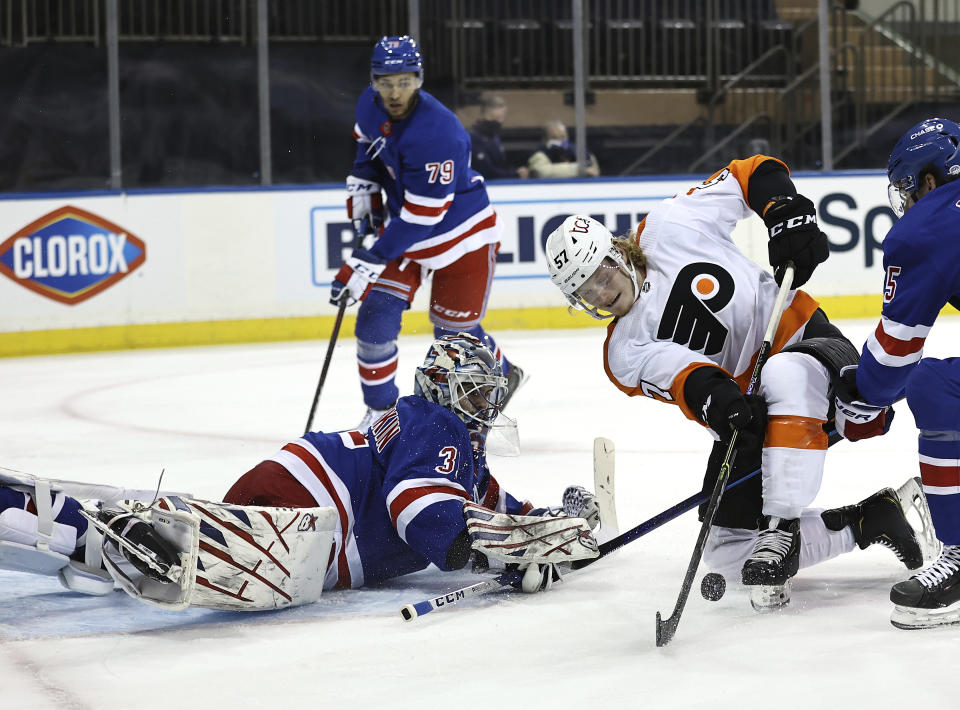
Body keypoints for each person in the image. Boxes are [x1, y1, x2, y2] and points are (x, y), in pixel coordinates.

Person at [543, 155, 933, 610]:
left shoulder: (670, 224)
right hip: (751, 415)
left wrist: (784, 209)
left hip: (812, 351)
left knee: (782, 371)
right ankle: (870, 521)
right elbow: (690, 379)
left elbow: (752, 172)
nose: (602, 296)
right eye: (586, 293)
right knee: (727, 552)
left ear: (617, 252)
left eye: (602, 277)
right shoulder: (622, 353)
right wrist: (718, 401)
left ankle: (780, 529)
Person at [0, 335, 599, 610]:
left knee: (180, 542)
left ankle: (71, 518)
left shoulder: (449, 443)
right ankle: (47, 521)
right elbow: (416, 505)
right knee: (171, 551)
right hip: (312, 509)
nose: (492, 408)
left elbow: (493, 505)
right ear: (455, 391)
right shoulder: (437, 424)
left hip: (302, 492)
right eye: (483, 393)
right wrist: (479, 550)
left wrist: (551, 529)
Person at [335, 36, 526, 431]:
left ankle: (503, 371)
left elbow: (424, 217)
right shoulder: (368, 106)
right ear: (374, 81)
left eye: (403, 81)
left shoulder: (439, 132)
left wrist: (370, 259)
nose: (394, 91)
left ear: (419, 80)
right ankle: (381, 415)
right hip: (406, 234)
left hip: (461, 237)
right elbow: (366, 146)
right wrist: (363, 182)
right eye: (385, 81)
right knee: (374, 320)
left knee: (453, 340)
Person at [834, 117, 960, 629]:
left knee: (935, 384)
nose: (907, 200)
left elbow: (892, 360)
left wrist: (858, 396)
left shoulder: (926, 227)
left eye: (908, 187)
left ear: (929, 181)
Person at [468, 94, 529, 180]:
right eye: (492, 117)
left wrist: (517, 171)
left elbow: (500, 165)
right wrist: (515, 174)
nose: (496, 121)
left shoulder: (494, 137)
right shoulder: (473, 138)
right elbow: (486, 171)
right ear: (482, 115)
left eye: (500, 118)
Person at [527, 120, 600, 178]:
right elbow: (542, 172)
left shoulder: (579, 151)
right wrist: (577, 169)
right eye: (555, 138)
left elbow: (594, 170)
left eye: (563, 137)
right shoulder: (540, 154)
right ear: (545, 139)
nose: (560, 141)